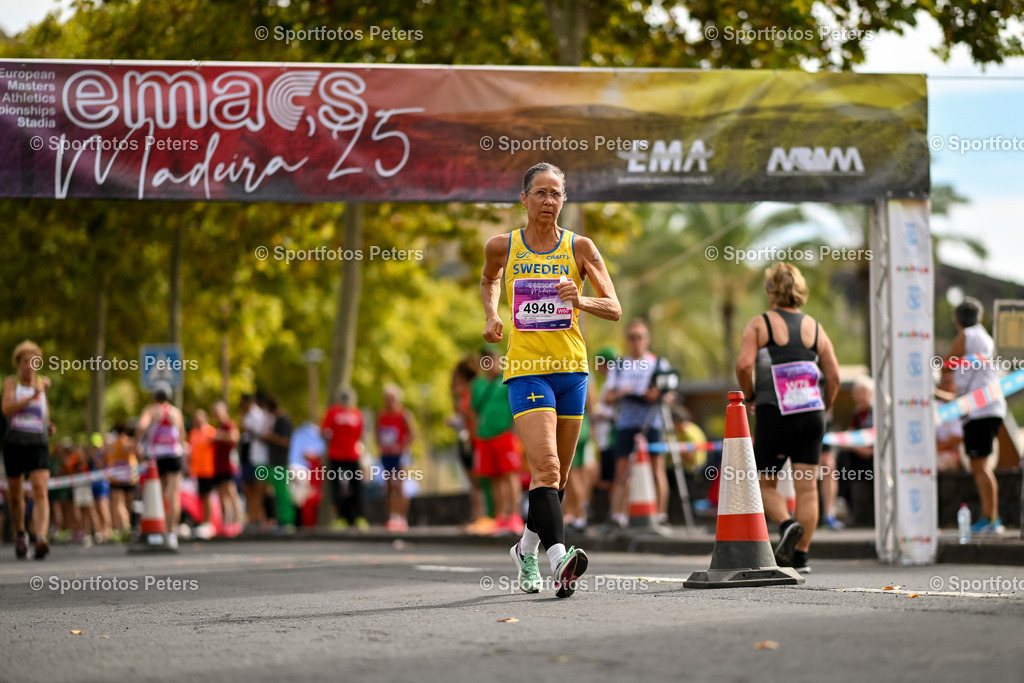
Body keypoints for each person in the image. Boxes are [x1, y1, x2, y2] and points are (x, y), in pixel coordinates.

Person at [482, 162, 621, 597]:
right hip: (526, 372)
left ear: (564, 199)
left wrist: (579, 299)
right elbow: (489, 279)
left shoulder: (580, 247)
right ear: (523, 199)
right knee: (547, 467)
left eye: (556, 193)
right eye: (540, 193)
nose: (549, 201)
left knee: (554, 482)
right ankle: (560, 555)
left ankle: (525, 551)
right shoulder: (501, 245)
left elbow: (614, 307)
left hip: (572, 371)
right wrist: (491, 315)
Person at [736, 262, 840, 574]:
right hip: (812, 413)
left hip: (774, 412)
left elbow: (743, 365)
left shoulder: (759, 324)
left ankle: (786, 524)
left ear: (771, 291)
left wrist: (750, 395)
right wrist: (826, 405)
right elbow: (833, 376)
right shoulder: (816, 328)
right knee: (807, 487)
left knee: (763, 483)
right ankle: (802, 557)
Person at [602, 319, 673, 529]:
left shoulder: (659, 363)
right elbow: (606, 398)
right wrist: (621, 394)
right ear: (627, 340)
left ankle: (661, 515)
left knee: (656, 468)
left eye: (640, 337)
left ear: (647, 339)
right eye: (632, 337)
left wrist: (657, 395)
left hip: (653, 422)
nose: (636, 341)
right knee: (622, 471)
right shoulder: (619, 365)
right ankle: (618, 515)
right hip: (626, 424)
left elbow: (670, 395)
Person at [946, 296, 1006, 535]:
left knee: (980, 466)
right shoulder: (986, 339)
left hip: (981, 410)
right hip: (987, 407)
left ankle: (992, 519)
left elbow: (946, 363)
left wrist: (943, 377)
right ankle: (991, 518)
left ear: (957, 320)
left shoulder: (968, 335)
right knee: (981, 465)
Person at [2, 340, 55, 559]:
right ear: (18, 363)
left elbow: (44, 414)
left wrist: (50, 426)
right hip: (15, 443)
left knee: (40, 488)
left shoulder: (42, 384)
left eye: (33, 361)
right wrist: (31, 396)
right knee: (15, 496)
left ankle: (41, 537)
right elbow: (5, 409)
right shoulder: (12, 383)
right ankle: (21, 533)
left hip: (38, 443)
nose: (29, 365)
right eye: (25, 361)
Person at [471, 346, 524, 536]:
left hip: (505, 434)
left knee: (510, 474)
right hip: (485, 436)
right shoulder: (479, 384)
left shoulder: (508, 379)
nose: (489, 364)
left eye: (491, 359)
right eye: (485, 360)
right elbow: (474, 409)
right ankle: (501, 517)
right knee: (494, 477)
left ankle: (515, 516)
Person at [136, 381, 188, 549]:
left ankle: (159, 529)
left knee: (157, 494)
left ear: (154, 396)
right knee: (173, 495)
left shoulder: (151, 410)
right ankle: (172, 532)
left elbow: (141, 426)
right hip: (174, 455)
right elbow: (182, 436)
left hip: (156, 457)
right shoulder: (176, 412)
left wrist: (137, 443)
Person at [321, 387, 367, 530]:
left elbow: (361, 435)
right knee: (336, 488)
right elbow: (324, 432)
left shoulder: (357, 414)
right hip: (335, 455)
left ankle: (358, 517)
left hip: (353, 455)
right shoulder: (333, 412)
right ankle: (340, 517)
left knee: (357, 487)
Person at [377, 384, 415, 532]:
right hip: (386, 455)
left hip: (400, 455)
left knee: (399, 485)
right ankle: (392, 517)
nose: (389, 402)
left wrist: (400, 446)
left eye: (391, 399)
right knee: (388, 486)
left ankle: (402, 517)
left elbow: (412, 435)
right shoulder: (381, 415)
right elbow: (377, 433)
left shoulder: (404, 415)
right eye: (387, 399)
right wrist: (381, 446)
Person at [838, 377, 874, 525]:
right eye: (857, 392)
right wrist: (857, 448)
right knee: (843, 457)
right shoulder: (858, 413)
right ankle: (842, 500)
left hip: (875, 455)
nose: (860, 396)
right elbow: (849, 436)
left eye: (863, 392)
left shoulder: (877, 411)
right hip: (861, 455)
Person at [262, 395, 295, 532]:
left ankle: (287, 521)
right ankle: (281, 520)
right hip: (274, 462)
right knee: (276, 493)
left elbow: (286, 441)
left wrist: (271, 437)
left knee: (283, 492)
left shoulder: (284, 420)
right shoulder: (275, 420)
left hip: (281, 462)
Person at [210, 400, 243, 533]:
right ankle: (225, 523)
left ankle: (237, 521)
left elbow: (235, 438)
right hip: (218, 466)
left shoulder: (229, 425)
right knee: (221, 495)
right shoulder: (218, 426)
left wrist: (218, 437)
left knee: (231, 492)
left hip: (228, 466)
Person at [240, 393, 269, 531]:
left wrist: (250, 430)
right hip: (249, 456)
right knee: (249, 488)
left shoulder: (258, 416)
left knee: (258, 489)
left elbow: (262, 435)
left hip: (258, 457)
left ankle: (259, 518)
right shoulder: (247, 416)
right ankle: (252, 517)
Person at [105, 422, 139, 541]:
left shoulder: (111, 443)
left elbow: (105, 453)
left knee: (118, 503)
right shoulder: (129, 442)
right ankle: (126, 526)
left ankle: (123, 527)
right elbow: (138, 453)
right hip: (129, 477)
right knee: (127, 504)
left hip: (116, 477)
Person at [189, 408, 218, 537]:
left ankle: (208, 522)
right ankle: (203, 520)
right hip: (197, 470)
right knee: (201, 496)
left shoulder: (210, 431)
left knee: (207, 496)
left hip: (208, 469)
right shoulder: (193, 433)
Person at [935, 373, 965, 473]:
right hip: (938, 450)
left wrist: (937, 450)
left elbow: (957, 437)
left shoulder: (960, 406)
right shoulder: (936, 406)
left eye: (948, 382)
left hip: (954, 453)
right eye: (943, 382)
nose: (945, 385)